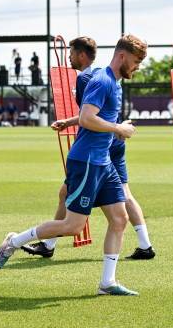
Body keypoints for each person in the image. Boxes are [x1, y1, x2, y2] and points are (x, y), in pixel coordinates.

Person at [0, 35, 147, 296]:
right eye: (135, 61)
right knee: (73, 226)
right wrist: (117, 128)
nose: (137, 67)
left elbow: (91, 116)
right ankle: (14, 241)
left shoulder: (114, 81)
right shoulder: (102, 81)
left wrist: (69, 121)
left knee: (119, 219)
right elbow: (89, 118)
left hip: (103, 161)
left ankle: (107, 283)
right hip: (87, 161)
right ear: (122, 56)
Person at [22, 36, 155, 260]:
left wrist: (114, 130)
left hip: (100, 147)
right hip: (109, 141)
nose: (69, 57)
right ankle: (144, 245)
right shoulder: (109, 77)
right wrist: (71, 122)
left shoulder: (87, 78)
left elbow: (90, 117)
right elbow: (91, 114)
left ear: (82, 55)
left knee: (81, 213)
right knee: (76, 194)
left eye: (72, 53)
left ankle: (33, 241)